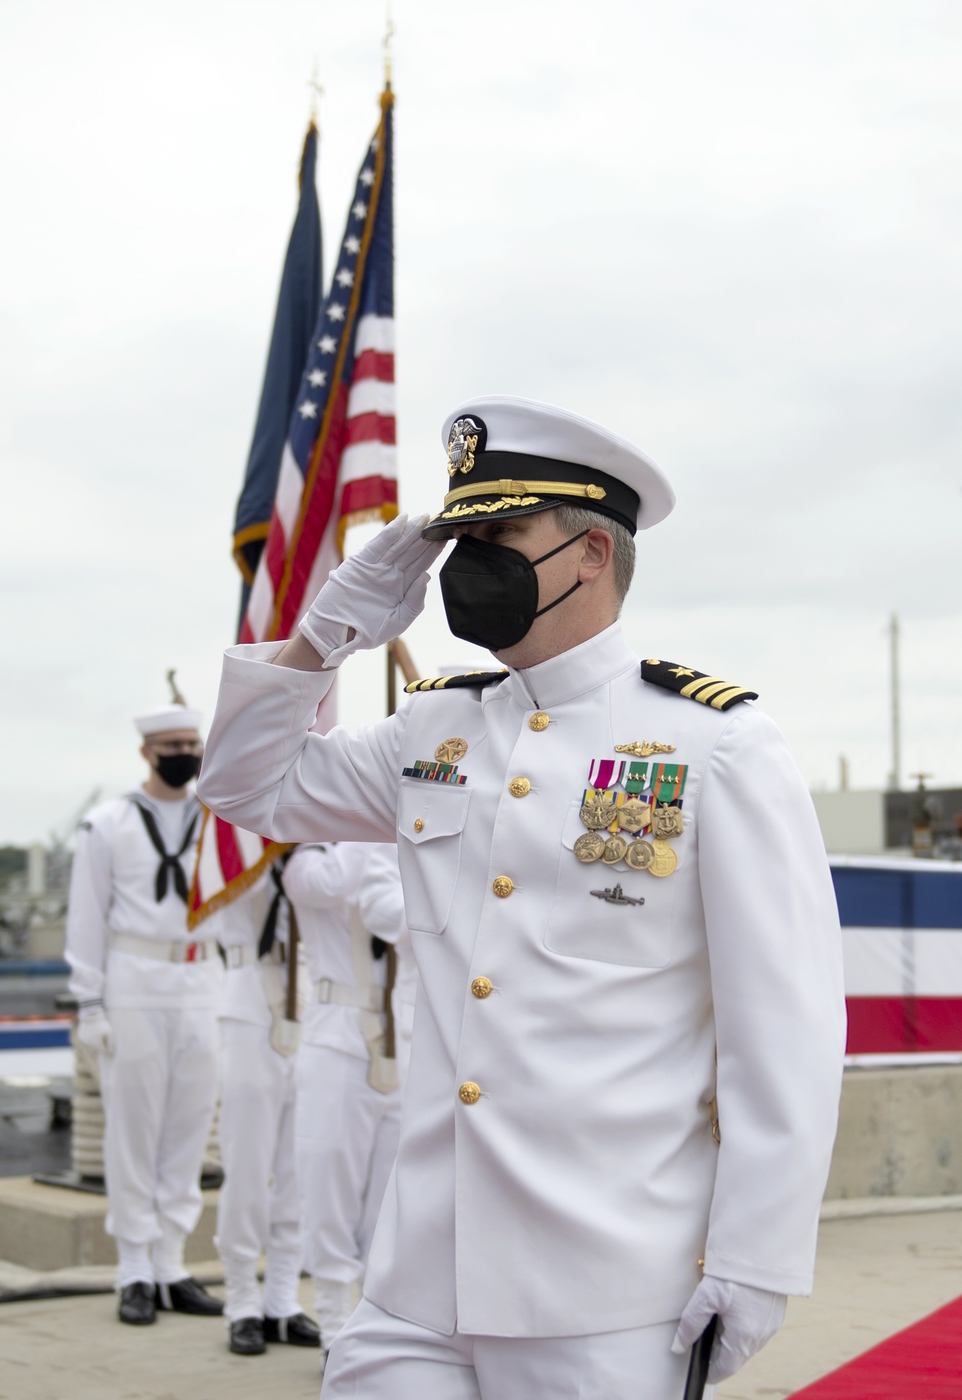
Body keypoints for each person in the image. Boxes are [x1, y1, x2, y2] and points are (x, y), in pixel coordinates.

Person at [196, 396, 846, 1400]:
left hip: (606, 1290)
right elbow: (242, 787)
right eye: (459, 536)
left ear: (590, 553)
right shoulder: (431, 732)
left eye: (499, 534)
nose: (466, 562)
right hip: (416, 1279)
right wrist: (324, 636)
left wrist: (756, 1256)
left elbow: (783, 1029)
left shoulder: (715, 745)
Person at [66, 693, 225, 1326]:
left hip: (201, 980)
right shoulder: (107, 823)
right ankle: (133, 1266)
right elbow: (86, 916)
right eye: (173, 750)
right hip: (133, 980)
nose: (185, 758)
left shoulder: (217, 821)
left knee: (187, 1130)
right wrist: (90, 1003)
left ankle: (171, 1264)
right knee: (133, 1131)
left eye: (192, 748)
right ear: (146, 753)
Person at [280, 841, 415, 1364]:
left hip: (405, 1039)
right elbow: (338, 887)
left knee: (388, 1202)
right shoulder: (306, 860)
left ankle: (372, 1325)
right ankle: (334, 1330)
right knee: (329, 1192)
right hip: (337, 1038)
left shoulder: (401, 853)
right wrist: (377, 827)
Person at [213, 860, 322, 1355]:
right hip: (250, 993)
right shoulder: (233, 845)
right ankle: (240, 1300)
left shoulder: (320, 852)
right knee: (248, 1163)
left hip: (315, 996)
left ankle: (281, 1298)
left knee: (299, 1164)